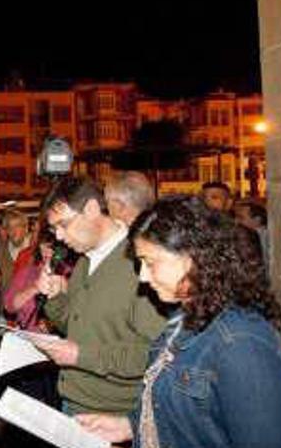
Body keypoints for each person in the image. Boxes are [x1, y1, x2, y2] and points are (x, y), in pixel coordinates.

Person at [76, 195, 281, 447]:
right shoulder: (181, 319)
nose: (143, 277)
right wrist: (129, 426)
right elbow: (191, 418)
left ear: (193, 257)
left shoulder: (241, 343)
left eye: (150, 262)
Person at [37, 177, 166, 415]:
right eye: (54, 229)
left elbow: (155, 354)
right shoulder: (84, 261)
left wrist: (81, 356)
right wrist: (56, 299)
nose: (59, 236)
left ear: (92, 209)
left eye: (63, 224)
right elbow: (77, 329)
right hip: (76, 400)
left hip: (114, 413)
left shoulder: (141, 263)